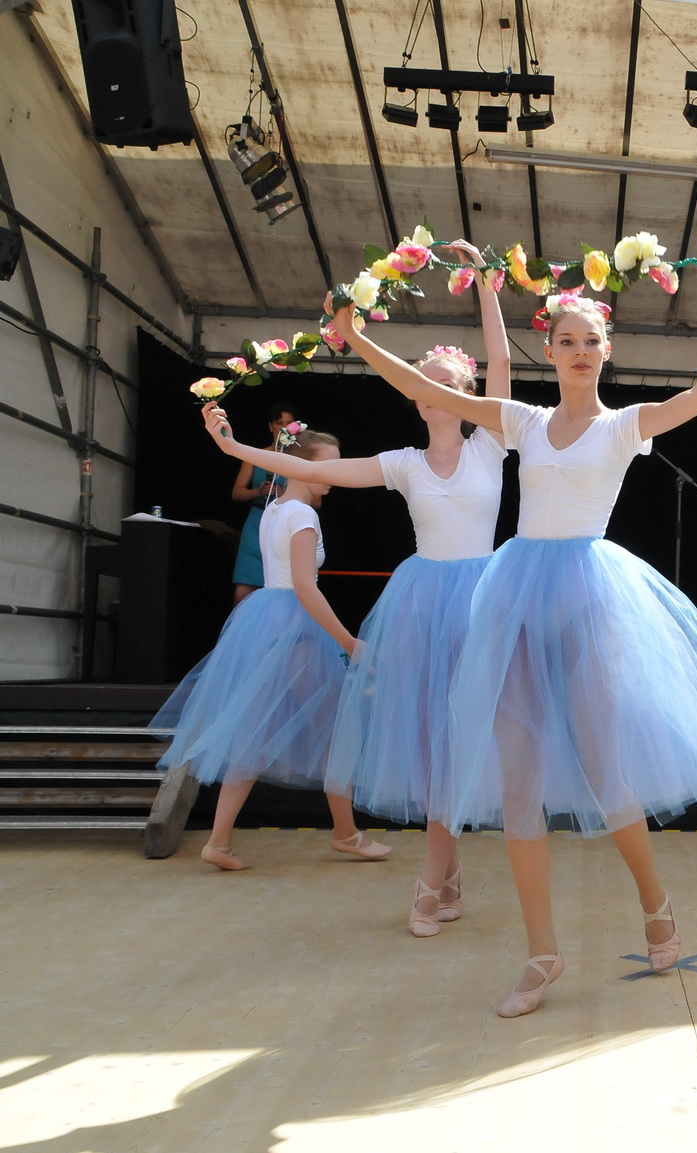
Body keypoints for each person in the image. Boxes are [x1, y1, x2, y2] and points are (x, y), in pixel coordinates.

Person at [326, 268, 697, 1018]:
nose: (576, 351)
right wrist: (355, 338)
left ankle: (656, 900)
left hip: (586, 600)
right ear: (550, 349)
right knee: (517, 780)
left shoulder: (622, 424)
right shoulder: (523, 422)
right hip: (512, 599)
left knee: (605, 770)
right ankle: (542, 952)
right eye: (565, 340)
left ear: (606, 349)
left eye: (588, 340)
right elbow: (434, 392)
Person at [196, 242, 512, 936]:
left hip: (482, 601)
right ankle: (442, 879)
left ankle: (440, 878)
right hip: (425, 607)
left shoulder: (492, 442)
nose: (431, 389)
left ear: (464, 392)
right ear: (412, 392)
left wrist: (487, 284)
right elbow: (316, 470)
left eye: (444, 380)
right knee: (434, 742)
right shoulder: (401, 463)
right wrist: (236, 451)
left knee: (466, 740)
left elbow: (503, 366)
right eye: (420, 380)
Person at [154, 427, 391, 870]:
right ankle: (347, 834)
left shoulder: (273, 509)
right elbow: (305, 586)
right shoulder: (302, 514)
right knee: (334, 730)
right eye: (327, 465)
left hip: (265, 619)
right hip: (294, 626)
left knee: (257, 730)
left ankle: (220, 841)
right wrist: (349, 641)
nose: (334, 473)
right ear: (299, 465)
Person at [228, 401, 296, 605]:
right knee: (242, 593)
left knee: (281, 592)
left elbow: (316, 500)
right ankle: (239, 635)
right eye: (279, 423)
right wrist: (258, 491)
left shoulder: (300, 458)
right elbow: (236, 493)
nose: (283, 427)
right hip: (256, 523)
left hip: (284, 524)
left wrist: (285, 493)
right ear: (271, 426)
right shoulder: (254, 455)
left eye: (288, 423)